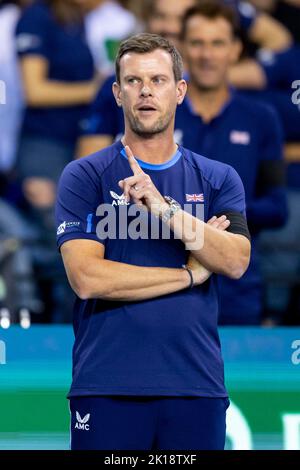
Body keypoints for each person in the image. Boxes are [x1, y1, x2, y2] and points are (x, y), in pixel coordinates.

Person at [56, 33, 251, 450]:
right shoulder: (84, 176)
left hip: (195, 386)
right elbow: (88, 278)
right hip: (106, 387)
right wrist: (189, 274)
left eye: (159, 80)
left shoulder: (218, 178)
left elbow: (235, 260)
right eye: (133, 81)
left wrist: (164, 210)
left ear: (180, 91)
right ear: (117, 93)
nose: (146, 91)